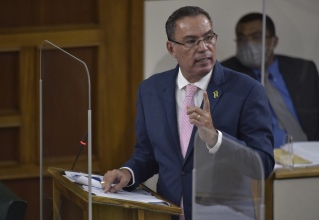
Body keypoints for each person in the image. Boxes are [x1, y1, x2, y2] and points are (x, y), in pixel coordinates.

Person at [102, 6, 274, 220]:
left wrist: (215, 139)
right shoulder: (151, 90)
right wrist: (128, 173)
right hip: (170, 213)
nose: (204, 48)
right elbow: (147, 154)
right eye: (191, 41)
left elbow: (263, 164)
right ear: (171, 48)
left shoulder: (246, 90)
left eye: (209, 37)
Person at [221, 12, 319, 148]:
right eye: (242, 38)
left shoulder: (303, 69)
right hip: (262, 159)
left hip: (312, 154)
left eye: (256, 37)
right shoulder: (226, 74)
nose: (248, 43)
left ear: (274, 41)